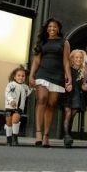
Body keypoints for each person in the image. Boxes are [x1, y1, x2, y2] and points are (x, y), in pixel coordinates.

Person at [29, 17, 68, 145]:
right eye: (50, 26)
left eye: (55, 27)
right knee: (42, 99)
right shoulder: (42, 41)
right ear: (47, 28)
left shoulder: (64, 42)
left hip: (57, 75)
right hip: (43, 73)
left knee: (51, 105)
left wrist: (69, 77)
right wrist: (31, 75)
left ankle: (46, 135)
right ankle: (38, 133)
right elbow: (36, 60)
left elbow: (66, 61)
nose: (52, 29)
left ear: (58, 29)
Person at [3, 65, 30, 146]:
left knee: (15, 120)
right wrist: (11, 100)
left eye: (23, 76)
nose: (21, 77)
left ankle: (15, 138)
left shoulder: (25, 87)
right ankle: (9, 139)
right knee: (9, 123)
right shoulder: (11, 85)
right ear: (14, 77)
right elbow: (7, 93)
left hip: (18, 108)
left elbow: (28, 93)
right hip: (9, 107)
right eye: (18, 75)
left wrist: (33, 87)